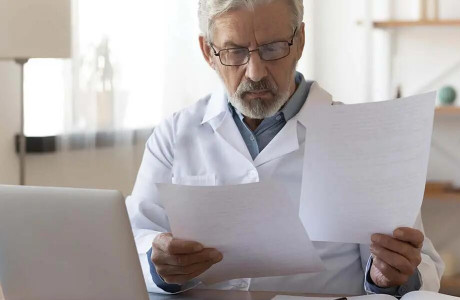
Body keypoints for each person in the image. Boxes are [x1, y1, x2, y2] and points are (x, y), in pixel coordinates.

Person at [126, 0, 444, 296]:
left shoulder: (361, 137)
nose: (256, 72)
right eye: (235, 52)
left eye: (273, 48)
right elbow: (132, 242)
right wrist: (158, 262)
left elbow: (421, 264)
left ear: (300, 40)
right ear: (208, 52)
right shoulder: (174, 135)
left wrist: (390, 277)